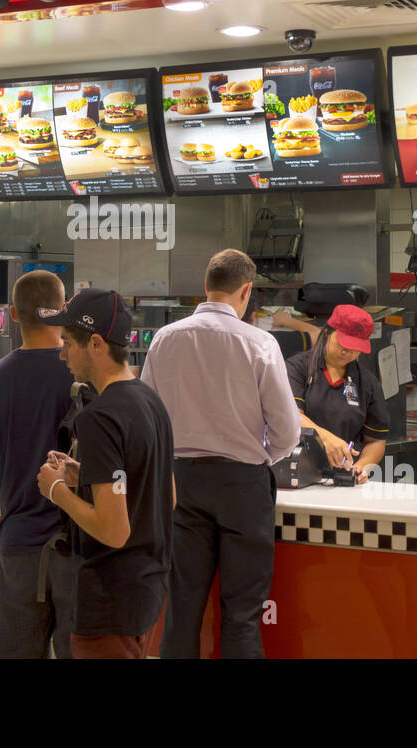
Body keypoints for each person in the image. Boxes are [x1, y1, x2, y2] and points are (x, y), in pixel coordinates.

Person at [140, 249, 301, 659]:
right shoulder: (260, 344)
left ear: (205, 287)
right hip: (243, 487)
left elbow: (147, 420)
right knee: (241, 615)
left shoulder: (165, 339)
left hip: (181, 484)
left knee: (181, 610)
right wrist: (260, 455)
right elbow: (287, 431)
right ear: (246, 291)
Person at [34, 288, 173, 659]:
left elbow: (114, 531)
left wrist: (58, 490)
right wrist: (86, 476)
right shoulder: (149, 400)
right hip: (147, 593)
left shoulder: (98, 417)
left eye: (67, 343)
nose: (61, 354)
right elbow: (163, 492)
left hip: (109, 601)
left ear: (95, 344)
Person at [0, 269, 76, 658]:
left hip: (19, 549)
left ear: (12, 313)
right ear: (63, 309)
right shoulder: (85, 376)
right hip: (79, 547)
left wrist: (19, 477)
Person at [285, 305, 389, 483]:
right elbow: (292, 416)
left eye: (355, 349)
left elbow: (376, 440)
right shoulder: (298, 368)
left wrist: (363, 465)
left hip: (343, 478)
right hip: (298, 474)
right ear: (326, 333)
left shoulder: (367, 383)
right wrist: (326, 439)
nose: (348, 352)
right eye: (343, 345)